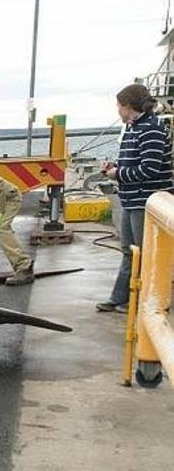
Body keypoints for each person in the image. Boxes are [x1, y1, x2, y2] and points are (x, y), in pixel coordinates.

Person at [96, 84, 174, 313]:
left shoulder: (152, 128)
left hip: (146, 201)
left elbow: (149, 169)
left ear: (127, 106)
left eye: (119, 106)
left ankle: (141, 300)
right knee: (130, 251)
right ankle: (120, 297)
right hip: (131, 200)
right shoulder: (133, 128)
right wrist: (115, 166)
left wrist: (117, 174)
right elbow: (136, 162)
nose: (118, 111)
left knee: (145, 252)